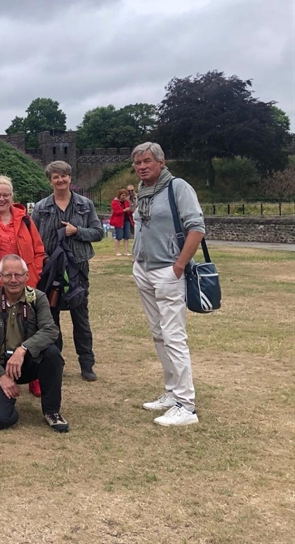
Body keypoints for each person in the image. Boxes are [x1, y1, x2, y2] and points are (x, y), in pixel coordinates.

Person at [131, 142, 205, 426]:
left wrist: (179, 266)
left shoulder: (178, 188)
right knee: (158, 334)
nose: (142, 167)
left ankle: (186, 405)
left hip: (168, 271)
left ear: (161, 162)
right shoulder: (143, 191)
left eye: (147, 161)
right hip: (145, 269)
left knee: (173, 335)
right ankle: (172, 392)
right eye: (138, 163)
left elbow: (196, 227)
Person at [0, 255, 68, 432]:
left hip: (27, 361)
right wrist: (1, 376)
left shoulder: (37, 298)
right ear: (0, 277)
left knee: (52, 353)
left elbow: (51, 330)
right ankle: (1, 399)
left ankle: (52, 411)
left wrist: (23, 350)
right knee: (0, 419)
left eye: (18, 275)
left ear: (26, 276)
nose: (13, 280)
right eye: (8, 275)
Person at [0, 175, 47, 398]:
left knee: (28, 328)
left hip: (23, 284)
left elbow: (38, 249)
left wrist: (33, 276)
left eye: (6, 195)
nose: (1, 198)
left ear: (12, 197)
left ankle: (34, 377)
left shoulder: (24, 219)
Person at [31, 161, 104, 382]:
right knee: (51, 318)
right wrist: (41, 258)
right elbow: (33, 238)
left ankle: (87, 364)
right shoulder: (41, 208)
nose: (60, 180)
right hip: (51, 269)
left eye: (64, 176)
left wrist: (77, 231)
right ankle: (56, 362)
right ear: (50, 180)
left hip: (77, 268)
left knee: (80, 317)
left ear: (70, 178)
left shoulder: (85, 204)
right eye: (56, 177)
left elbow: (99, 232)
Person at [110, 189, 131, 256]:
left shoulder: (126, 202)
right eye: (123, 195)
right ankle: (117, 251)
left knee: (127, 236)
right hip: (118, 221)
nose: (124, 197)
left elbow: (129, 209)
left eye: (125, 195)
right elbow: (116, 212)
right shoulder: (114, 202)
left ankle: (126, 251)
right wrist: (124, 210)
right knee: (119, 236)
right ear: (119, 195)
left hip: (127, 220)